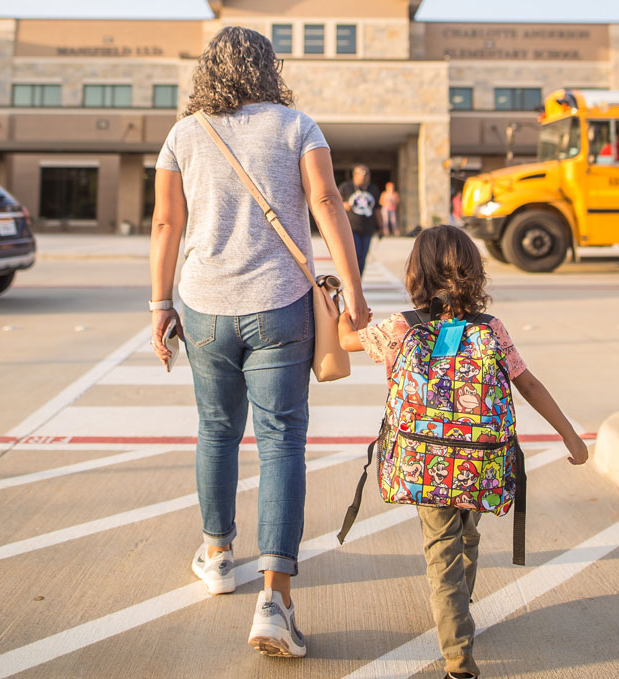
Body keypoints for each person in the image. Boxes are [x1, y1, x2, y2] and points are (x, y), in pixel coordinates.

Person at [149, 26, 369, 659]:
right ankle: (274, 601)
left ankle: (217, 554)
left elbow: (167, 222)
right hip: (281, 306)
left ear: (208, 71)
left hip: (205, 307)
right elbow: (326, 201)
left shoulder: (184, 133)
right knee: (281, 444)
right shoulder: (297, 125)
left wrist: (160, 307)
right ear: (268, 68)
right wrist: (351, 291)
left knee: (216, 430)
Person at [336, 225, 588, 679]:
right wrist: (569, 435)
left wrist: (342, 314)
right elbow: (527, 383)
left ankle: (458, 656)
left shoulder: (401, 328)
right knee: (467, 533)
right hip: (481, 462)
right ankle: (461, 607)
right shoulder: (491, 329)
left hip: (424, 465)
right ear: (474, 271)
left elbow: (346, 342)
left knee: (441, 551)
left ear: (416, 273)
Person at [338, 164, 381, 274]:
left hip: (368, 229)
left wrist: (381, 227)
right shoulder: (346, 187)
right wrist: (344, 205)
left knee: (362, 257)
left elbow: (377, 209)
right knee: (354, 256)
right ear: (354, 175)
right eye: (361, 174)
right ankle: (352, 281)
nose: (364, 177)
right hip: (351, 228)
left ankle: (358, 281)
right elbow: (335, 203)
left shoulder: (373, 189)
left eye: (366, 174)